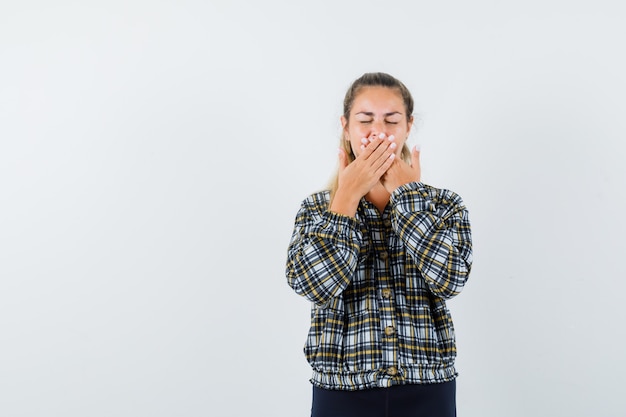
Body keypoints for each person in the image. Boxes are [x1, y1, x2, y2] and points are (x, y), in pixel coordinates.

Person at [285, 72, 473, 417]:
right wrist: (345, 199)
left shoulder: (445, 205)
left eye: (391, 120)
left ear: (408, 126)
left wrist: (409, 197)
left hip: (427, 387)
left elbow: (451, 280)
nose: (378, 131)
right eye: (365, 119)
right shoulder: (317, 208)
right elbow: (312, 287)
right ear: (346, 127)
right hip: (342, 390)